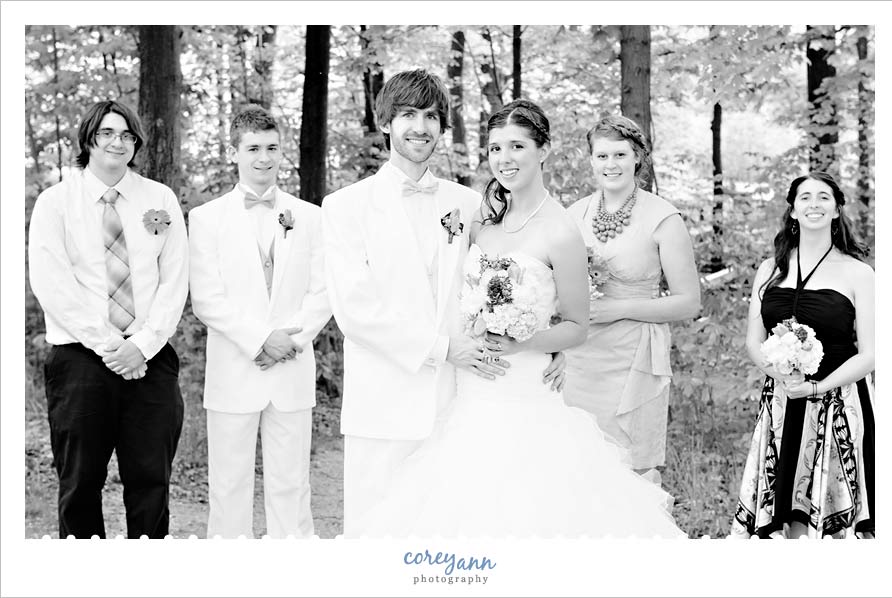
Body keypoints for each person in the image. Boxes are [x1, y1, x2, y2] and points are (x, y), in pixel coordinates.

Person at [355, 99, 685, 538]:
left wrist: (530, 343)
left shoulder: (561, 230)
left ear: (543, 150)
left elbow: (576, 325)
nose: (504, 159)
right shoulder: (480, 220)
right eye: (495, 149)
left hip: (525, 387)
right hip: (470, 390)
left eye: (516, 146)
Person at [321, 70, 566, 538]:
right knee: (376, 534)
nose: (421, 127)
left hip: (458, 400)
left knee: (446, 538)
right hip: (384, 402)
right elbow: (355, 311)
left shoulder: (468, 202)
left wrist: (552, 341)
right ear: (386, 122)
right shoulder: (345, 206)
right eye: (408, 114)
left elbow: (509, 278)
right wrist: (440, 348)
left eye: (431, 116)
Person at [28, 100, 188, 538]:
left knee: (151, 483)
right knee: (79, 483)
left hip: (150, 358)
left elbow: (175, 280)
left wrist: (142, 345)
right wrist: (111, 345)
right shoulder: (56, 203)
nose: (118, 142)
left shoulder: (160, 198)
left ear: (135, 144)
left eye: (126, 135)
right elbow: (53, 284)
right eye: (107, 133)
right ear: (88, 139)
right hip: (80, 361)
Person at [189, 106, 331, 539]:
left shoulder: (310, 216)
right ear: (235, 152)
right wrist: (260, 340)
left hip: (291, 367)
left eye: (271, 148)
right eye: (253, 149)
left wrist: (290, 340)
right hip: (235, 369)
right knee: (229, 486)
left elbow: (324, 290)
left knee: (291, 484)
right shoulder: (206, 218)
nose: (263, 158)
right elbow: (207, 300)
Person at [731, 172, 874, 539]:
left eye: (824, 197)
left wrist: (816, 387)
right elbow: (753, 340)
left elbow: (873, 353)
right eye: (805, 197)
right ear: (792, 211)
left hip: (839, 402)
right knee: (786, 519)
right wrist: (782, 377)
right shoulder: (770, 269)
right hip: (782, 399)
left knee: (832, 519)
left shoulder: (859, 273)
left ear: (837, 210)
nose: (814, 204)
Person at [564, 114, 701, 484]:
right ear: (591, 160)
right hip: (579, 359)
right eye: (603, 156)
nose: (612, 164)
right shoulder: (574, 215)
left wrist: (617, 309)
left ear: (638, 157)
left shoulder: (663, 217)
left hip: (634, 359)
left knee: (628, 470)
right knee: (577, 462)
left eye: (621, 155)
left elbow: (689, 302)